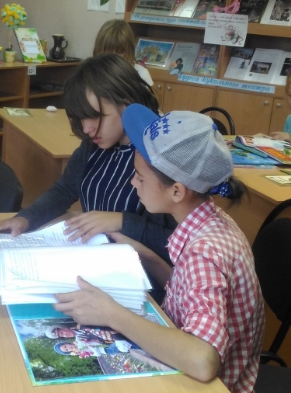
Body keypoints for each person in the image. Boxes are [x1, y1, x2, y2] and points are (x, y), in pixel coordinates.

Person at [53, 105, 264, 391]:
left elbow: (203, 360)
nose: (133, 182)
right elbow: (185, 290)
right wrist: (144, 254)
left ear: (177, 191)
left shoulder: (204, 251)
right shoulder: (212, 221)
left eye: (140, 177)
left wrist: (111, 313)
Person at [0, 54, 178, 303]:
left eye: (95, 116)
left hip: (141, 287)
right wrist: (24, 219)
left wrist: (122, 221)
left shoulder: (158, 156)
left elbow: (179, 243)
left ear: (126, 103)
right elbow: (64, 190)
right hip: (96, 271)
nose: (86, 128)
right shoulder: (93, 147)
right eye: (80, 118)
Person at [92, 19, 153, 86]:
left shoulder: (141, 74)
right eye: (107, 51)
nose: (112, 57)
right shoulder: (91, 74)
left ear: (129, 51)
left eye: (119, 51)